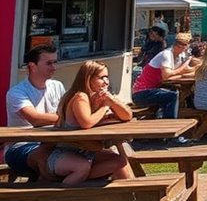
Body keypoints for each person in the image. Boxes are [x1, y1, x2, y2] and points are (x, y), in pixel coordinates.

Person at [47, 60, 133, 184]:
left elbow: (127, 115)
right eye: (101, 78)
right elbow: (86, 122)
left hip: (88, 152)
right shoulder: (80, 96)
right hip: (64, 154)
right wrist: (104, 108)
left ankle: (128, 194)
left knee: (120, 161)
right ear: (88, 79)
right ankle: (59, 196)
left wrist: (111, 100)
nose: (106, 81)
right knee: (82, 167)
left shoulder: (98, 96)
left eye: (107, 77)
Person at [5, 44, 65, 181]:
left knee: (96, 155)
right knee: (46, 157)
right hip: (20, 146)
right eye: (49, 63)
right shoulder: (16, 92)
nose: (54, 67)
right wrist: (65, 117)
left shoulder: (58, 86)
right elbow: (34, 119)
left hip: (55, 142)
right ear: (32, 66)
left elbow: (66, 113)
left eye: (55, 62)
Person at [131, 32, 195, 124]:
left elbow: (183, 71)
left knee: (182, 93)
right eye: (187, 46)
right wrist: (184, 67)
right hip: (142, 93)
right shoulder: (166, 54)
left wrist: (199, 69)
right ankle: (170, 127)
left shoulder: (179, 56)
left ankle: (191, 121)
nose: (188, 49)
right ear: (181, 46)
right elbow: (167, 76)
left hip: (155, 89)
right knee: (173, 95)